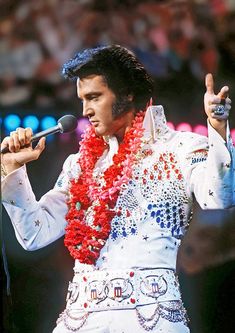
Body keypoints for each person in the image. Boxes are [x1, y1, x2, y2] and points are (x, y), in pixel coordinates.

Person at [1, 45, 234, 333]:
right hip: (79, 321)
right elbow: (34, 234)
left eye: (94, 97)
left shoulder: (180, 148)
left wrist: (218, 130)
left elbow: (221, 197)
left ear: (127, 94)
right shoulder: (79, 165)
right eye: (82, 99)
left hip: (152, 320)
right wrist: (13, 169)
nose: (85, 110)